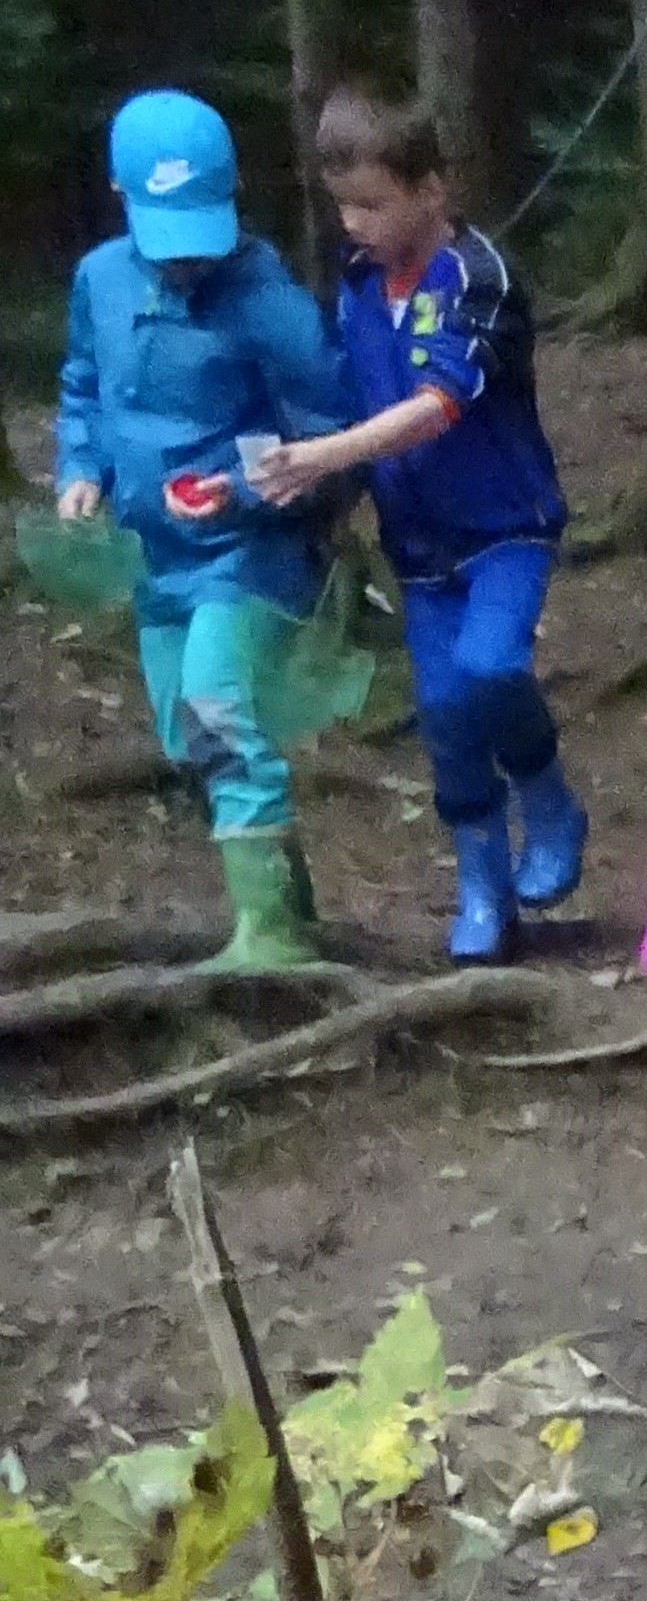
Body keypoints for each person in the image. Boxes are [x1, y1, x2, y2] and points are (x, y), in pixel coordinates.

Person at [252, 82, 580, 967]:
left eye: (372, 203)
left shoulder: (475, 277)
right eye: (343, 205)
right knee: (442, 711)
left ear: (430, 188)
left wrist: (327, 454)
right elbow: (357, 398)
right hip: (418, 542)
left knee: (491, 665)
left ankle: (548, 799)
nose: (354, 223)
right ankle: (484, 885)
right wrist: (315, 489)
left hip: (505, 525)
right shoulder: (359, 287)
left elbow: (438, 404)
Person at [52, 87, 351, 976]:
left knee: (218, 705)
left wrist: (249, 492)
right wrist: (81, 470)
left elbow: (331, 437)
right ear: (119, 192)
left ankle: (271, 938)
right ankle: (292, 899)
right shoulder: (100, 280)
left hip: (252, 555)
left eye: (199, 233)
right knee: (186, 736)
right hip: (156, 558)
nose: (186, 259)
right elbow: (83, 387)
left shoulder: (269, 301)